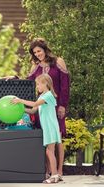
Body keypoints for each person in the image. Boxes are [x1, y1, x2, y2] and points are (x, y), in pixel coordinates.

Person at [27, 38, 70, 179]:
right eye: (35, 53)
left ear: (45, 49)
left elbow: (65, 85)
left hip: (55, 106)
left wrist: (63, 105)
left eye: (39, 51)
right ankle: (47, 171)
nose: (37, 54)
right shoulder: (35, 67)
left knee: (58, 140)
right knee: (46, 139)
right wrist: (13, 77)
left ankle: (59, 171)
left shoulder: (58, 62)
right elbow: (26, 82)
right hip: (42, 109)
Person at [12, 74, 61, 183]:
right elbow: (33, 110)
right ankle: (53, 174)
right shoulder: (42, 96)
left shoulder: (48, 95)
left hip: (50, 126)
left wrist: (20, 100)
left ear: (46, 84)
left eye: (38, 84)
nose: (37, 86)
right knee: (49, 151)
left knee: (49, 151)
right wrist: (20, 109)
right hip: (47, 126)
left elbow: (34, 104)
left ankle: (54, 175)